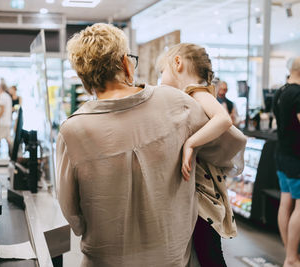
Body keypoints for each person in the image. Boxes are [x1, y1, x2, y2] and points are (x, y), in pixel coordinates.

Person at [56, 23, 246, 266]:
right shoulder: (177, 103)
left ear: (84, 78)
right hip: (171, 257)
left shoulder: (72, 131)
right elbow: (231, 144)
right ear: (126, 64)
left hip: (104, 259)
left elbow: (72, 214)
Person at [157, 43, 245, 266]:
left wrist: (191, 144)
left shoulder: (196, 91)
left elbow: (223, 119)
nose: (161, 77)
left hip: (203, 192)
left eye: (162, 71)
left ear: (177, 63)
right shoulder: (189, 96)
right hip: (199, 189)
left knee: (209, 252)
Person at [273, 56, 300, 267]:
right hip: (297, 157)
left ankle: (289, 254)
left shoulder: (280, 91)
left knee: (285, 203)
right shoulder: (298, 93)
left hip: (281, 153)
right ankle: (292, 258)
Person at [0, 83, 12, 157]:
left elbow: (2, 109)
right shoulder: (8, 96)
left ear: (1, 88)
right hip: (7, 122)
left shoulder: (1, 96)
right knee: (8, 140)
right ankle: (12, 155)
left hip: (2, 122)